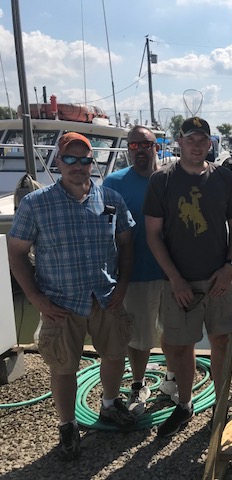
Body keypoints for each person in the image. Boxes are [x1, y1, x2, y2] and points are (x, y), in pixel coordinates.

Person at [8, 132, 137, 461]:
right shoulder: (35, 204)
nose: (78, 166)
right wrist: (36, 299)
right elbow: (17, 254)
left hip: (106, 295)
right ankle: (68, 425)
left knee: (114, 353)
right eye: (70, 159)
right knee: (64, 366)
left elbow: (126, 245)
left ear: (92, 162)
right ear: (57, 162)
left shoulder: (110, 199)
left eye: (84, 159)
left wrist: (122, 287)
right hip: (60, 301)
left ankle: (109, 404)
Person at [144, 117, 232, 437]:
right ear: (180, 141)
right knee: (180, 346)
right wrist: (174, 278)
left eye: (203, 139)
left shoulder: (225, 179)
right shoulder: (161, 181)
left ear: (210, 143)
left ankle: (219, 405)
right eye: (191, 139)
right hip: (179, 282)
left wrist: (230, 267)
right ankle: (184, 405)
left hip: (220, 279)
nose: (197, 144)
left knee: (222, 342)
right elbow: (153, 235)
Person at [103, 126, 178, 415]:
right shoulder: (114, 182)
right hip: (136, 274)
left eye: (145, 144)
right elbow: (104, 227)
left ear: (156, 146)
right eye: (133, 146)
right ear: (128, 149)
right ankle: (138, 382)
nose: (140, 150)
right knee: (139, 337)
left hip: (174, 273)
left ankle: (172, 379)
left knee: (175, 333)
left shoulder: (172, 179)